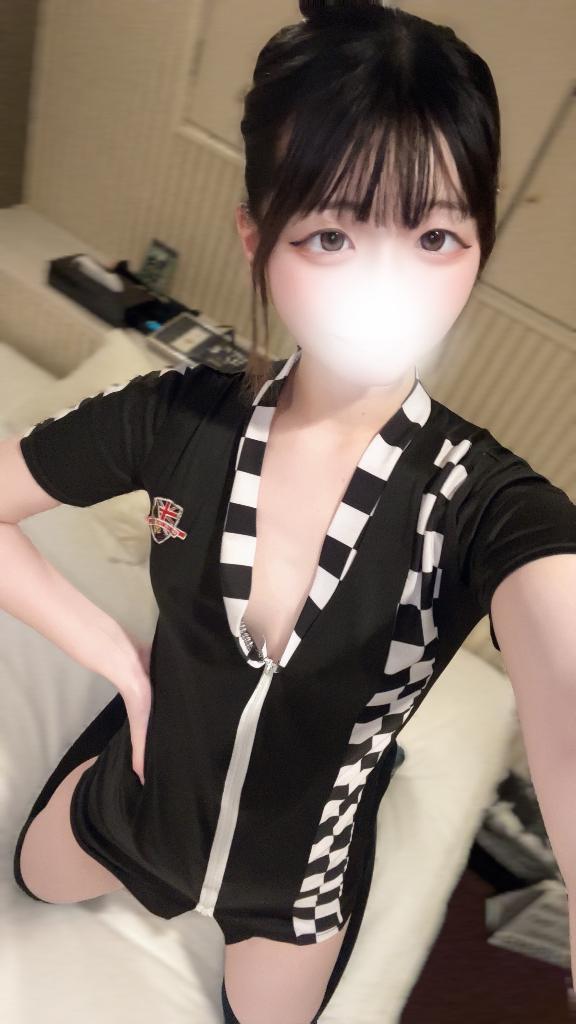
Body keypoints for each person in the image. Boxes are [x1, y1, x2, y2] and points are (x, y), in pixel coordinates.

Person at [4, 3, 576, 1023]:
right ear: (256, 237)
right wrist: (118, 660)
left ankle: (369, 776)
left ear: (478, 246)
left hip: (296, 876)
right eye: (332, 235)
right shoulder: (174, 418)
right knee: (37, 879)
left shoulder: (484, 504)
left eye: (435, 236)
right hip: (140, 795)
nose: (388, 288)